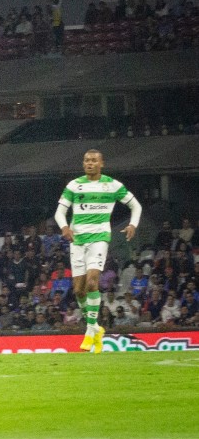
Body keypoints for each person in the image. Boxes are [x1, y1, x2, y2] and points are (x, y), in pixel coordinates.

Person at [55, 149, 141, 354]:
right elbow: (60, 212)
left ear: (102, 163)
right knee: (78, 290)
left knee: (93, 282)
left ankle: (89, 330)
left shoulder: (112, 185)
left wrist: (133, 225)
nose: (89, 163)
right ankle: (95, 328)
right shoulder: (74, 185)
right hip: (77, 240)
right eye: (86, 160)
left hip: (99, 238)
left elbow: (135, 206)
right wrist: (64, 227)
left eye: (94, 160)